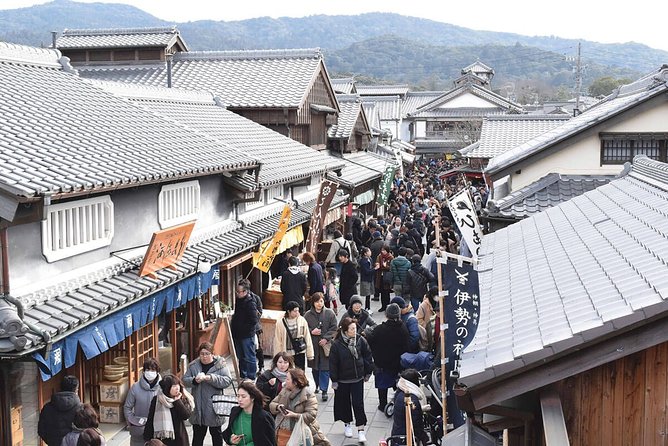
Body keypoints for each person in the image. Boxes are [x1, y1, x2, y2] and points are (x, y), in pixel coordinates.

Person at [329, 317, 374, 443]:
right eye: (352, 329)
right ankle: (347, 424)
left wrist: (368, 372)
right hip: (343, 380)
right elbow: (333, 364)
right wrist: (334, 380)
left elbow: (368, 356)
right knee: (344, 403)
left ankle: (361, 430)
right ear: (345, 330)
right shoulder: (337, 344)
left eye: (355, 328)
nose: (355, 331)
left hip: (357, 378)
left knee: (358, 404)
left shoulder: (360, 340)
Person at [183, 342, 233, 446]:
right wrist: (194, 380)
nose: (204, 356)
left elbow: (227, 381)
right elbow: (184, 380)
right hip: (198, 407)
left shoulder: (220, 365)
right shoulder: (193, 365)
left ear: (212, 354)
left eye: (207, 353)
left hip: (214, 407)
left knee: (216, 435)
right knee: (198, 436)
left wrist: (211, 378)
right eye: (202, 354)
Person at [269, 368, 331, 446]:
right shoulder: (284, 390)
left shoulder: (308, 394)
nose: (285, 381)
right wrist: (278, 406)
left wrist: (294, 415)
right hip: (283, 431)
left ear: (295, 382)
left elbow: (311, 415)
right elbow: (272, 404)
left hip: (301, 431)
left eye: (288, 379)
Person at [366, 304, 410, 412]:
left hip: (382, 364)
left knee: (383, 386)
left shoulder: (379, 329)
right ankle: (400, 402)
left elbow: (371, 342)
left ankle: (383, 405)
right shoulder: (403, 329)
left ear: (386, 315)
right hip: (398, 364)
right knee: (398, 385)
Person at [304, 292, 337, 401]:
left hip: (325, 346)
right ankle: (317, 385)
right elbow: (303, 329)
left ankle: (324, 390)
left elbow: (334, 328)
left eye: (321, 301)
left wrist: (326, 338)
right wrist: (311, 331)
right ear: (313, 303)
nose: (319, 304)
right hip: (312, 345)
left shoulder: (330, 313)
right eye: (317, 301)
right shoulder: (307, 315)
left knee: (325, 369)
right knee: (315, 368)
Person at [143, 374, 194, 446]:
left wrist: (177, 401)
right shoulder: (157, 400)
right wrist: (147, 438)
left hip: (178, 438)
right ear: (167, 388)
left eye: (178, 385)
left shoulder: (181, 398)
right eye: (173, 386)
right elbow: (151, 418)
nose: (177, 388)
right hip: (162, 439)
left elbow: (186, 415)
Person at [222, 380, 276, 446]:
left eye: (243, 396)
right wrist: (231, 440)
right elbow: (228, 433)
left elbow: (268, 442)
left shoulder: (264, 417)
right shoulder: (235, 412)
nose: (240, 399)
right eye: (238, 396)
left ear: (252, 397)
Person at [124, 358, 162, 446]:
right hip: (139, 430)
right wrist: (132, 422)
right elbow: (127, 407)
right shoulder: (135, 387)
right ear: (144, 371)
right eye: (148, 369)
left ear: (157, 372)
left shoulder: (163, 387)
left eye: (153, 370)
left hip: (158, 429)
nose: (150, 372)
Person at [38, 374, 82, 446]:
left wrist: (51, 441)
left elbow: (41, 430)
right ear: (76, 390)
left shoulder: (47, 407)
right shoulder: (80, 408)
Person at [391, 369, 430, 446]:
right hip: (408, 438)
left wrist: (420, 409)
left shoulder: (399, 392)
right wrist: (424, 438)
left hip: (397, 435)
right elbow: (416, 423)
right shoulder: (412, 400)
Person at [231, 278, 260, 379]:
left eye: (239, 292)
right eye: (237, 291)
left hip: (247, 334)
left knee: (249, 356)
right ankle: (243, 375)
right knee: (241, 357)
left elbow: (254, 320)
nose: (237, 294)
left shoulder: (250, 302)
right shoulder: (239, 300)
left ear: (246, 291)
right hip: (238, 334)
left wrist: (243, 328)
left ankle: (251, 376)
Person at [273, 300, 314, 370]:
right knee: (288, 373)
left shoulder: (302, 320)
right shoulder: (280, 323)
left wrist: (310, 354)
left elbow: (307, 337)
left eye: (298, 311)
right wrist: (277, 356)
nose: (297, 313)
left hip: (299, 352)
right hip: (287, 353)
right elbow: (277, 340)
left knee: (300, 373)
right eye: (295, 311)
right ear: (289, 311)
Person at [375, 245, 394, 312]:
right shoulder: (379, 256)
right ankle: (383, 306)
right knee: (382, 292)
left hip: (387, 277)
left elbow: (391, 268)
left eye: (384, 250)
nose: (383, 252)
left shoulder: (390, 257)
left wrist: (386, 266)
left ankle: (387, 306)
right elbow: (377, 264)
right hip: (380, 276)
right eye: (382, 250)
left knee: (387, 292)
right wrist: (378, 265)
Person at [358, 247, 376, 313]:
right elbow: (367, 271)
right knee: (367, 294)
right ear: (365, 253)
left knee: (369, 294)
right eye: (369, 251)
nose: (370, 252)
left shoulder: (369, 259)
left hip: (370, 279)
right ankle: (367, 308)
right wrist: (375, 269)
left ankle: (368, 307)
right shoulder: (363, 261)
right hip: (366, 279)